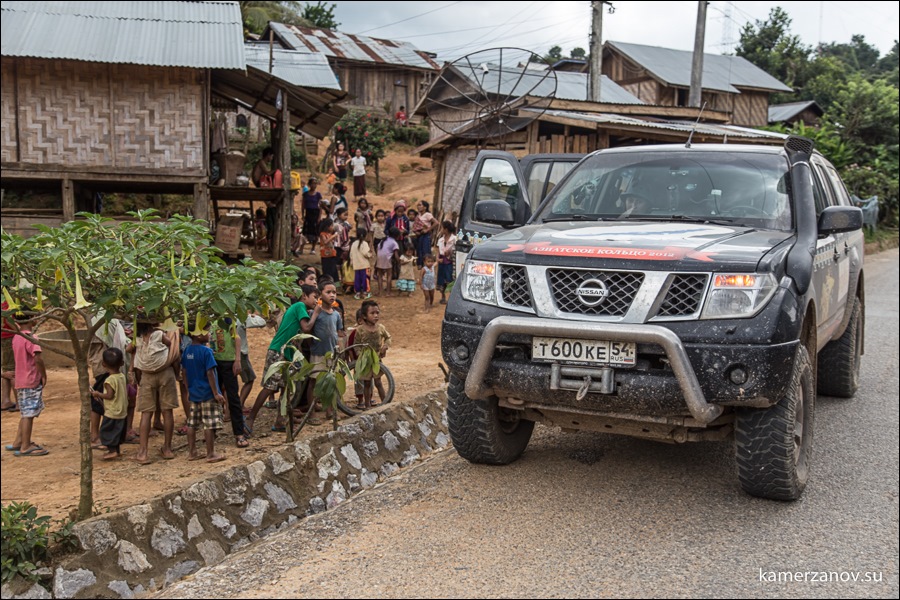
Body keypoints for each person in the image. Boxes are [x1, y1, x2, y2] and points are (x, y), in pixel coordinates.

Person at [247, 284, 320, 433]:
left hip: (287, 352)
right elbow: (306, 328)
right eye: (314, 297)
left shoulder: (299, 309)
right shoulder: (300, 306)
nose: (316, 301)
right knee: (270, 387)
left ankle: (280, 420)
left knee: (287, 388)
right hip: (278, 350)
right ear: (304, 296)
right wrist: (316, 314)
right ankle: (250, 419)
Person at [129, 320, 180, 465]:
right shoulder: (159, 334)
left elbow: (128, 349)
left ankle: (143, 452)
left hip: (146, 376)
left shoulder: (137, 339)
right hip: (165, 373)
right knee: (167, 411)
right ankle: (168, 449)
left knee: (146, 413)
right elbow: (171, 345)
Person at [181, 325, 226, 463]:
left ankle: (192, 452)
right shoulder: (206, 351)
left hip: (194, 393)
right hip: (207, 393)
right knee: (209, 423)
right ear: (199, 335)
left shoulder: (187, 351)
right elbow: (210, 372)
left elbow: (184, 372)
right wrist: (216, 393)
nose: (209, 334)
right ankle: (210, 453)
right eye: (206, 332)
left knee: (192, 423)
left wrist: (188, 390)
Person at [7, 316, 48, 456]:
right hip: (31, 380)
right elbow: (38, 359)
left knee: (26, 412)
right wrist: (43, 375)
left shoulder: (16, 337)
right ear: (32, 320)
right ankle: (25, 446)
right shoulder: (32, 337)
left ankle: (18, 442)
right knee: (29, 414)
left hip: (21, 380)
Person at [210, 319, 249, 448]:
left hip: (228, 361)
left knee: (233, 398)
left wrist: (237, 359)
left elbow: (236, 338)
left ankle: (239, 433)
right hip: (213, 362)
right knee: (212, 397)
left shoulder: (226, 317)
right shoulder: (204, 314)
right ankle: (211, 433)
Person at [310, 280, 345, 422]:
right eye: (328, 292)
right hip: (318, 353)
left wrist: (340, 350)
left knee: (331, 382)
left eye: (334, 292)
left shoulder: (336, 315)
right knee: (314, 382)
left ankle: (330, 411)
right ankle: (311, 412)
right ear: (320, 294)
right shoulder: (315, 312)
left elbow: (338, 334)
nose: (332, 295)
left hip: (332, 354)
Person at [353, 300, 392, 410]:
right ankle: (367, 405)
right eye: (372, 313)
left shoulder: (380, 328)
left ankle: (386, 403)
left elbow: (388, 338)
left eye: (377, 313)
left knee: (378, 382)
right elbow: (356, 344)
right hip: (366, 361)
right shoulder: (360, 330)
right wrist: (360, 355)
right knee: (367, 384)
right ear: (364, 316)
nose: (376, 316)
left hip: (377, 360)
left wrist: (385, 347)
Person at [90, 348, 128, 461]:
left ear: (103, 364)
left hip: (112, 411)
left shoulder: (109, 381)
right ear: (121, 363)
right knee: (117, 430)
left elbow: (109, 395)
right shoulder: (121, 376)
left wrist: (98, 394)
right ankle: (116, 450)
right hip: (121, 410)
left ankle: (112, 451)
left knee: (108, 430)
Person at [375, 227, 401, 297]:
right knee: (389, 275)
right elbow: (396, 255)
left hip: (379, 257)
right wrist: (399, 261)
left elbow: (377, 248)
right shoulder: (394, 242)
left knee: (379, 275)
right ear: (396, 236)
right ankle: (388, 292)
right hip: (387, 258)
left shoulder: (383, 240)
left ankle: (380, 291)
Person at [299, 178, 323, 255]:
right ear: (309, 185)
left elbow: (320, 207)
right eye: (312, 183)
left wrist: (319, 217)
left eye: (315, 183)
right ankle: (301, 248)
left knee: (315, 232)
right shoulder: (305, 194)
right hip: (308, 213)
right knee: (305, 232)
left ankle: (313, 248)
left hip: (315, 214)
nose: (314, 185)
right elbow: (303, 205)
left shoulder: (318, 195)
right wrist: (303, 215)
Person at [436, 220, 457, 305]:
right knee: (441, 278)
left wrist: (450, 252)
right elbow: (438, 251)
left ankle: (450, 298)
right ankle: (443, 297)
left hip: (450, 261)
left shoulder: (454, 239)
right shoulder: (440, 240)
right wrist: (437, 258)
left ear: (446, 229)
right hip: (442, 260)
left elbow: (457, 250)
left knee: (450, 278)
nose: (441, 230)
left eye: (442, 228)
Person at [412, 200, 438, 267]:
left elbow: (436, 223)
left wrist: (427, 230)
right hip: (419, 235)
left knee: (425, 250)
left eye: (420, 205)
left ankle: (427, 265)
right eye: (418, 205)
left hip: (425, 235)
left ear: (425, 207)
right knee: (419, 250)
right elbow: (415, 226)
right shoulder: (418, 215)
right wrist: (416, 232)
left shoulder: (427, 215)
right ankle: (420, 264)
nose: (418, 206)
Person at [1, 300, 17, 412]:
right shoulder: (6, 302)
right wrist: (21, 333)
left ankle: (6, 400)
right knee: (12, 371)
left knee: (6, 369)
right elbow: (8, 319)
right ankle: (20, 403)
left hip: (3, 337)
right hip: (8, 337)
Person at [350, 227, 373, 300]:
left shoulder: (354, 244)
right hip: (364, 265)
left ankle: (358, 293)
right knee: (365, 279)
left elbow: (351, 254)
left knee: (357, 279)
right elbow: (366, 254)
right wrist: (370, 254)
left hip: (356, 265)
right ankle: (365, 293)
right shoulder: (364, 244)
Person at [318, 218, 340, 282]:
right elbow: (325, 242)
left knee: (334, 271)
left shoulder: (329, 234)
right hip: (325, 256)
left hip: (332, 255)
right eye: (331, 226)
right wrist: (333, 236)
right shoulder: (322, 234)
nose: (332, 227)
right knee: (327, 270)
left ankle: (336, 285)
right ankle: (326, 283)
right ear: (327, 227)